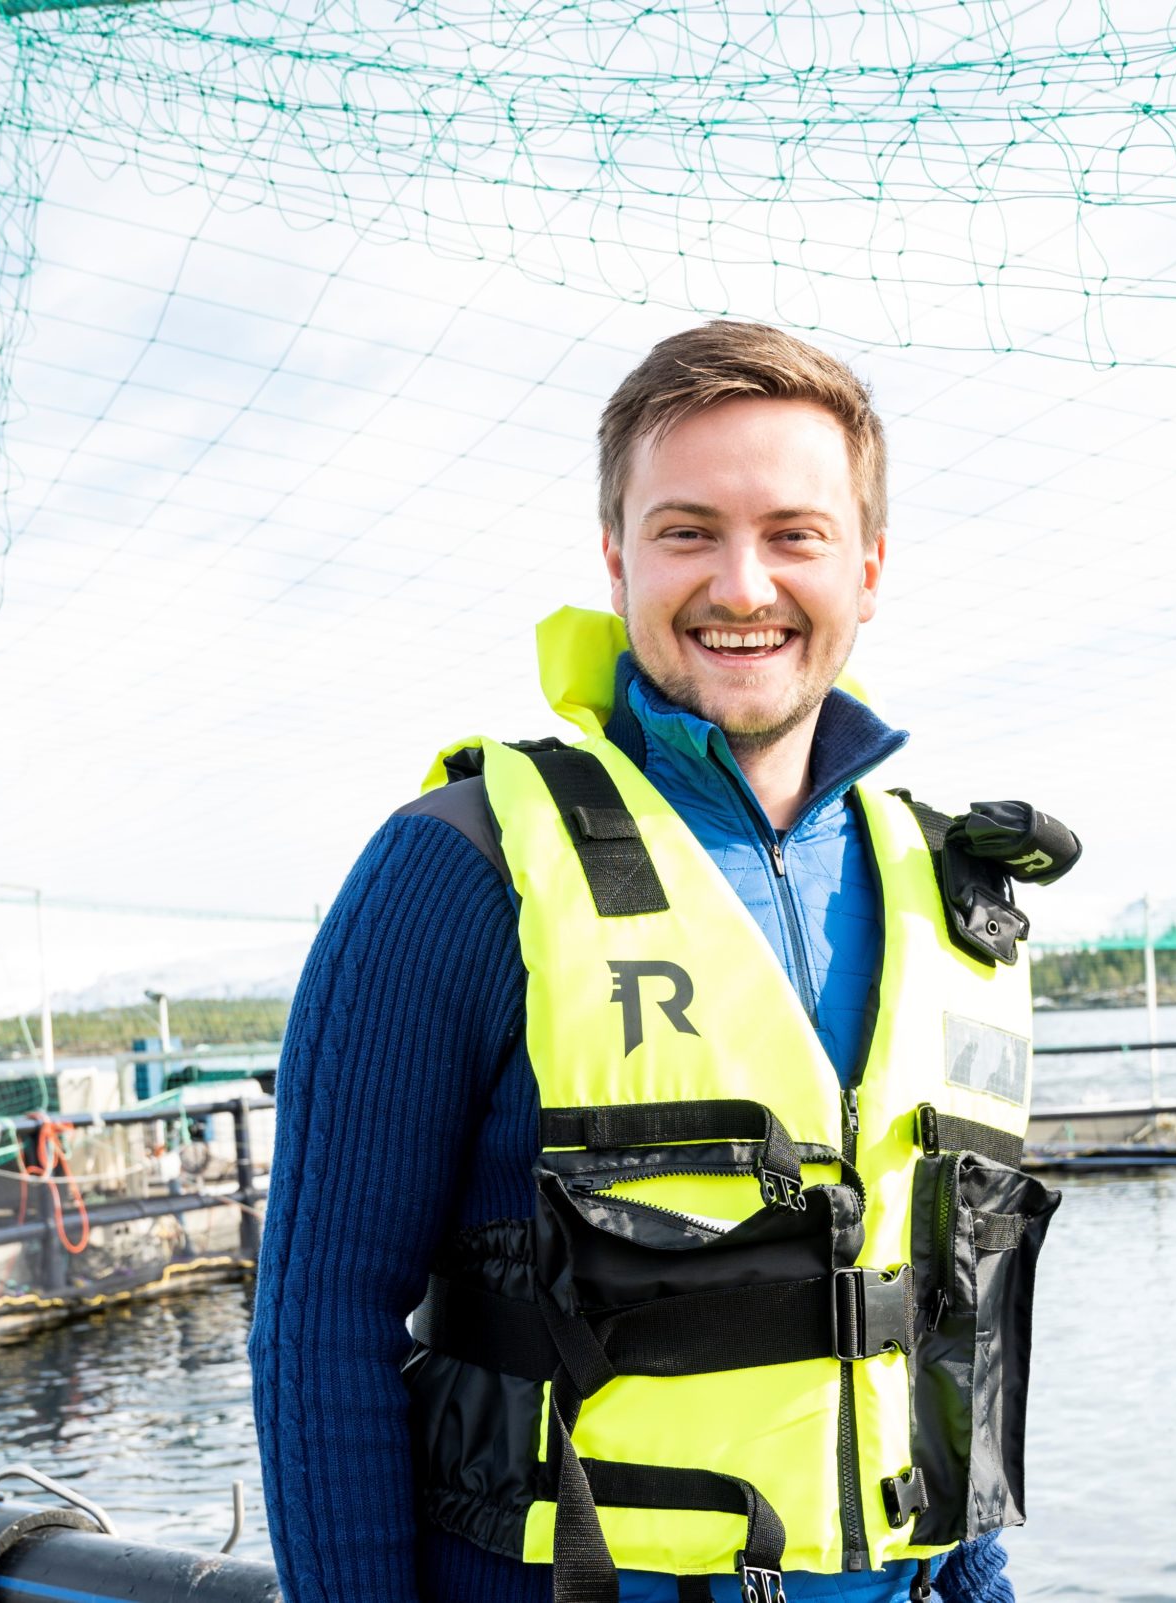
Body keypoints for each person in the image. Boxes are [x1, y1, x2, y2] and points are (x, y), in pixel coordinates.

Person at [249, 322, 1076, 1603]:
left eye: (793, 535)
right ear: (616, 557)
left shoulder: (956, 899)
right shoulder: (458, 865)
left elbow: (944, 1324)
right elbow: (320, 1327)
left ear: (866, 568)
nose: (742, 586)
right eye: (688, 530)